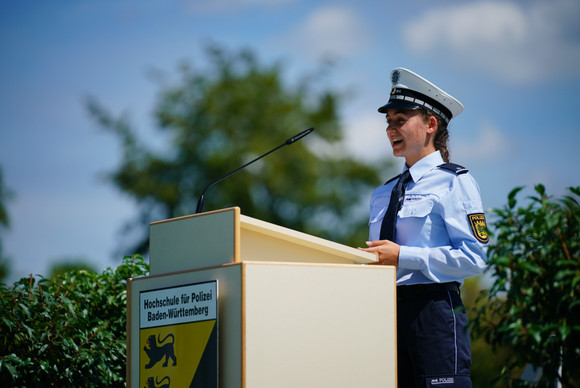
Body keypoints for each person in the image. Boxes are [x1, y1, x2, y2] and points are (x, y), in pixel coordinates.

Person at [359, 68, 488, 387]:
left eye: (400, 120)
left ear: (431, 124)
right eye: (388, 122)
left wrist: (404, 256)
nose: (390, 129)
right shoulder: (382, 193)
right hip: (385, 315)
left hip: (434, 312)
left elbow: (474, 258)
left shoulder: (454, 182)